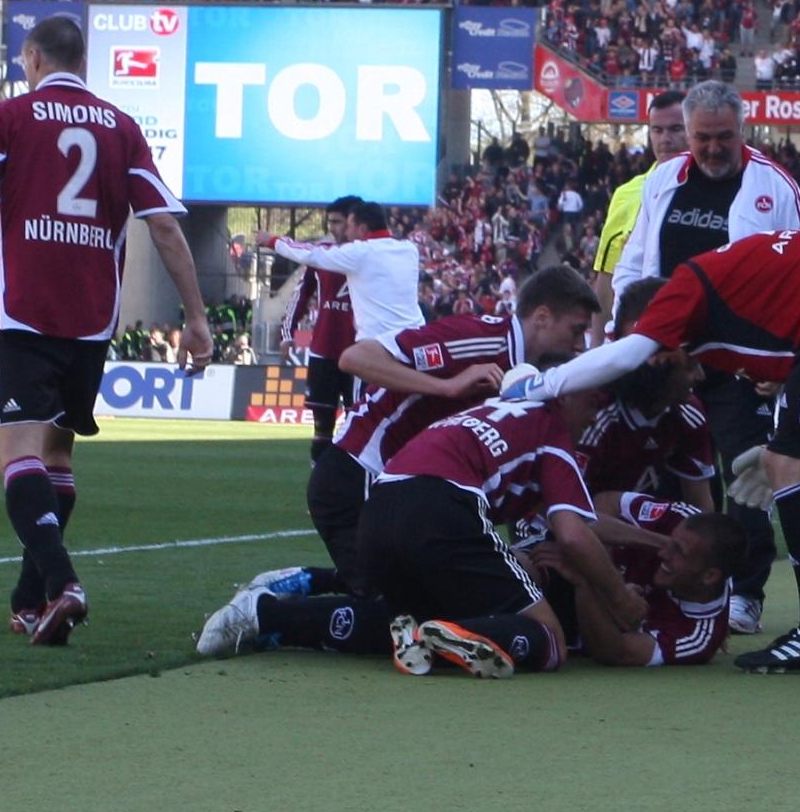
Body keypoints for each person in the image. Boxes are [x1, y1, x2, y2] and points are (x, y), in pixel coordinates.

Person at [516, 227, 800, 675]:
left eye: (655, 348)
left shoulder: (683, 291)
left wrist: (536, 386)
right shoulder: (729, 319)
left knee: (787, 465)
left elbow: (626, 355)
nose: (655, 361)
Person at [0, 13, 212, 647]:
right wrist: (195, 317)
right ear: (83, 62)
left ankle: (63, 584)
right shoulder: (122, 127)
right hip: (91, 322)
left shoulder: (8, 116)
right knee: (57, 457)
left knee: (18, 455)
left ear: (33, 58)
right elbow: (164, 226)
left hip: (25, 315)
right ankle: (30, 598)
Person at [197, 389, 642, 679]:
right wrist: (621, 599)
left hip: (381, 505)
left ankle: (266, 615)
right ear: (563, 396)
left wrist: (653, 540)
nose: (595, 416)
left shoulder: (491, 414)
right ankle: (449, 635)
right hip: (444, 507)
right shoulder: (552, 433)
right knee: (550, 638)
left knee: (394, 620)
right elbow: (574, 534)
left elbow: (576, 519)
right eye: (593, 404)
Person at [611, 78, 800, 636]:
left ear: (743, 129)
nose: (714, 148)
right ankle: (668, 588)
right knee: (666, 476)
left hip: (739, 362)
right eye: (703, 138)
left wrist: (785, 360)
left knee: (744, 475)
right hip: (667, 358)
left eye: (725, 137)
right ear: (688, 133)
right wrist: (623, 332)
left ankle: (744, 593)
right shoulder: (663, 179)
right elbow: (635, 264)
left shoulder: (775, 186)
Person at [298, 266, 598, 585]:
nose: (580, 345)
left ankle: (307, 585)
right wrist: (447, 386)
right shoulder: (479, 339)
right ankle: (276, 602)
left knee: (433, 595)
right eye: (576, 330)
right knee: (392, 604)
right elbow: (356, 358)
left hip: (404, 492)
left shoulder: (528, 375)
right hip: (360, 474)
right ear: (542, 317)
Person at [525, 494, 745, 667]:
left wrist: (586, 582)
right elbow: (600, 505)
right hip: (562, 559)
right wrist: (607, 579)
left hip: (575, 619)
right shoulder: (683, 519)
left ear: (710, 576)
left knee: (526, 637)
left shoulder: (698, 636)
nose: (663, 554)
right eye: (670, 542)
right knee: (522, 568)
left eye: (679, 551)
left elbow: (615, 652)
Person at [578, 279, 716, 507]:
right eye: (690, 366)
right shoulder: (592, 412)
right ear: (656, 359)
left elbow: (701, 508)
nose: (700, 376)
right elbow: (568, 516)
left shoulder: (688, 413)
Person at [590, 89, 687, 342]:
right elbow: (606, 277)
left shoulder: (714, 190)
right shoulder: (626, 194)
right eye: (657, 130)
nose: (665, 139)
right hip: (635, 338)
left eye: (676, 129)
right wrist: (597, 348)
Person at [262, 198, 423, 347]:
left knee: (349, 360)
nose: (345, 232)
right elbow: (302, 294)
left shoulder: (358, 252)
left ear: (361, 228)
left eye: (348, 226)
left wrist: (273, 241)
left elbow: (312, 254)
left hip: (377, 345)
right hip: (412, 339)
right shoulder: (409, 249)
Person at [283, 196, 358, 462]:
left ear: (353, 222)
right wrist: (287, 333)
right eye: (331, 222)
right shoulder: (321, 254)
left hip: (361, 354)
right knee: (322, 427)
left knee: (359, 423)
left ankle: (354, 479)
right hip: (324, 350)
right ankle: (320, 479)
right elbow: (301, 294)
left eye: (338, 222)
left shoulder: (372, 254)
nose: (333, 228)